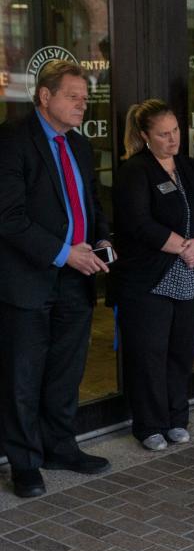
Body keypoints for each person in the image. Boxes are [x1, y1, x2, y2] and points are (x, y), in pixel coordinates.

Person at [0, 60, 113, 497]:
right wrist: (66, 254)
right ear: (45, 97)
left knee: (66, 372)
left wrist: (101, 242)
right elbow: (9, 219)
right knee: (23, 377)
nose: (83, 104)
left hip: (77, 276)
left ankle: (60, 446)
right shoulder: (12, 142)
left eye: (85, 98)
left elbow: (92, 204)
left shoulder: (80, 146)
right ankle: (24, 462)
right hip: (29, 279)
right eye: (73, 97)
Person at [113, 99, 194, 451]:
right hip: (150, 279)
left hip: (190, 275)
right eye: (163, 135)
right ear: (145, 136)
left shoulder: (191, 168)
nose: (173, 139)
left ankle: (177, 418)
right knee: (149, 355)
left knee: (180, 353)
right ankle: (149, 425)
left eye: (175, 131)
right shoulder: (135, 171)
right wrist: (184, 247)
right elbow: (139, 223)